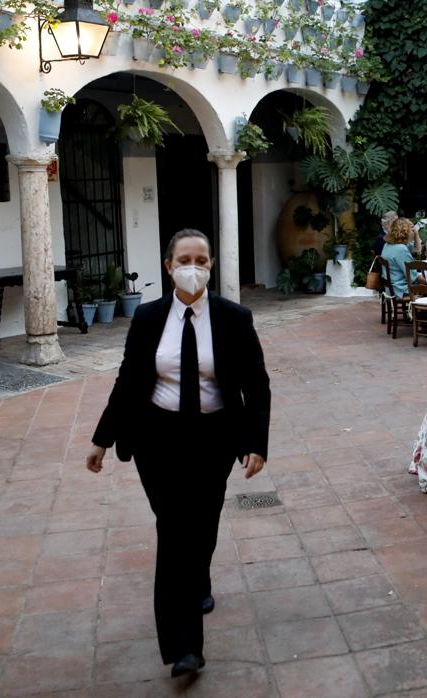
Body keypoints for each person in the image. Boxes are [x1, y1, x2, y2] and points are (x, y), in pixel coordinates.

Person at [85, 229, 270, 679]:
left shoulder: (233, 318)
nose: (194, 266)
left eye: (201, 260)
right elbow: (128, 381)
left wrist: (254, 443)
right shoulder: (148, 319)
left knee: (201, 523)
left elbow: (256, 385)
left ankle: (198, 578)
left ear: (210, 266)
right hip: (157, 439)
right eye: (185, 259)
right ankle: (184, 646)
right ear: (168, 266)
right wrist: (102, 438)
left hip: (213, 438)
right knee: (173, 529)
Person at [380, 216, 418, 298]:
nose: (413, 231)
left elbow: (416, 250)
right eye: (411, 229)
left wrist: (416, 234)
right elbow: (412, 276)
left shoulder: (388, 245)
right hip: (400, 289)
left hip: (390, 288)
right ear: (405, 231)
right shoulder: (400, 249)